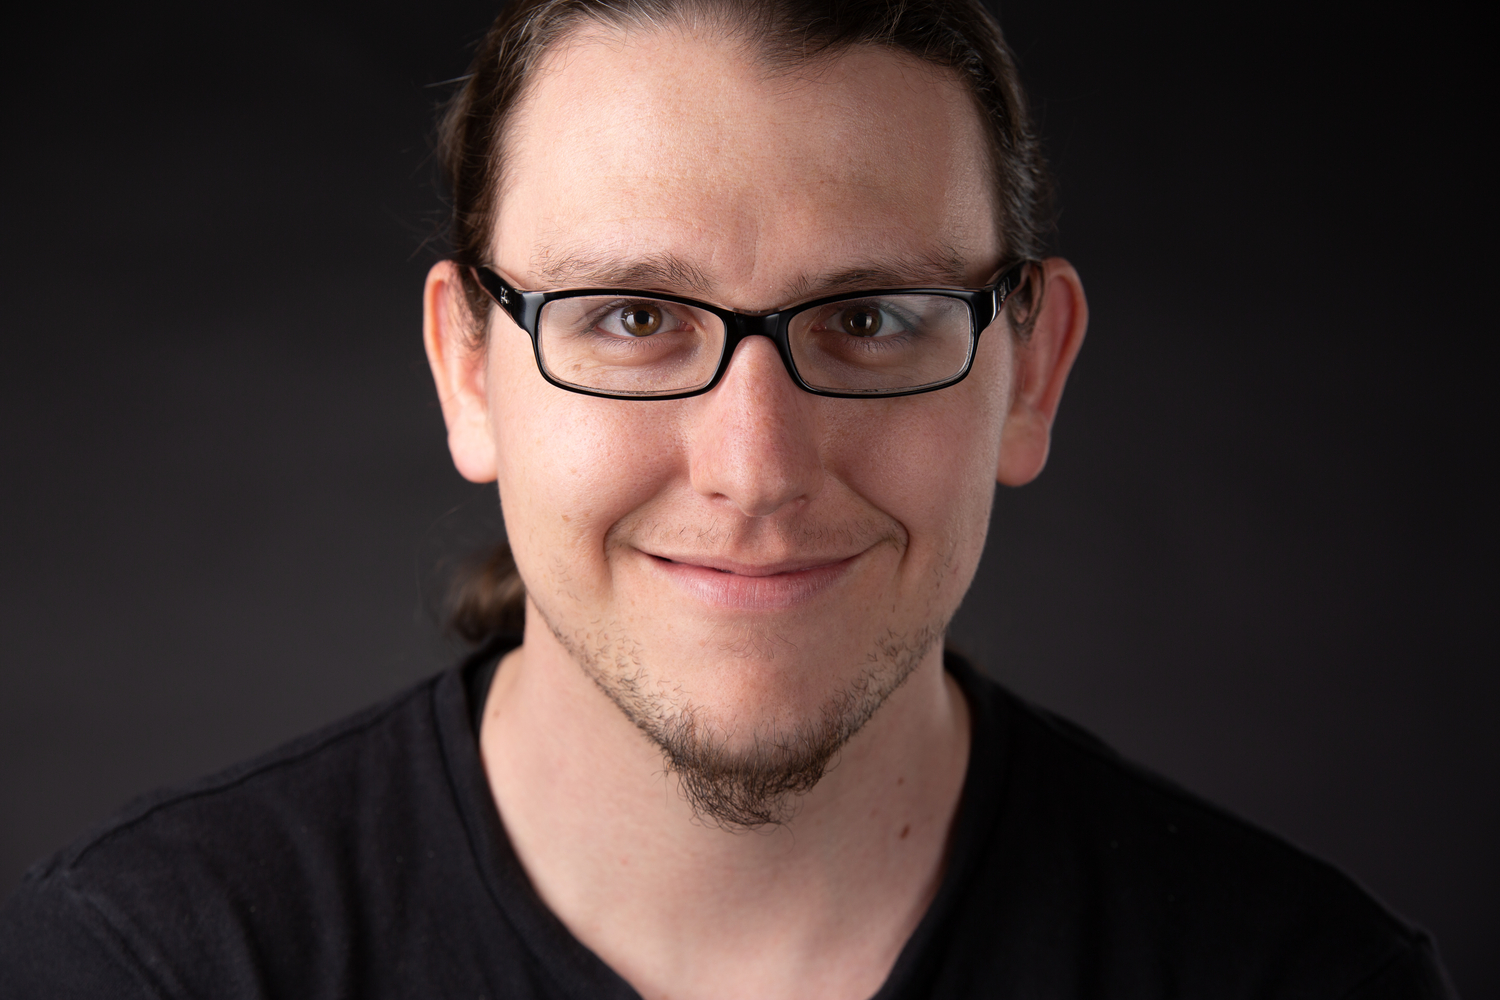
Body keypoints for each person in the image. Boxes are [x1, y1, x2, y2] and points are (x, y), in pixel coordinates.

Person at [0, 1, 1457, 997]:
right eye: (633, 318)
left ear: (1031, 372)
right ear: (467, 370)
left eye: (873, 319)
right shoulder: (147, 968)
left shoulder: (1303, 979)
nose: (754, 468)